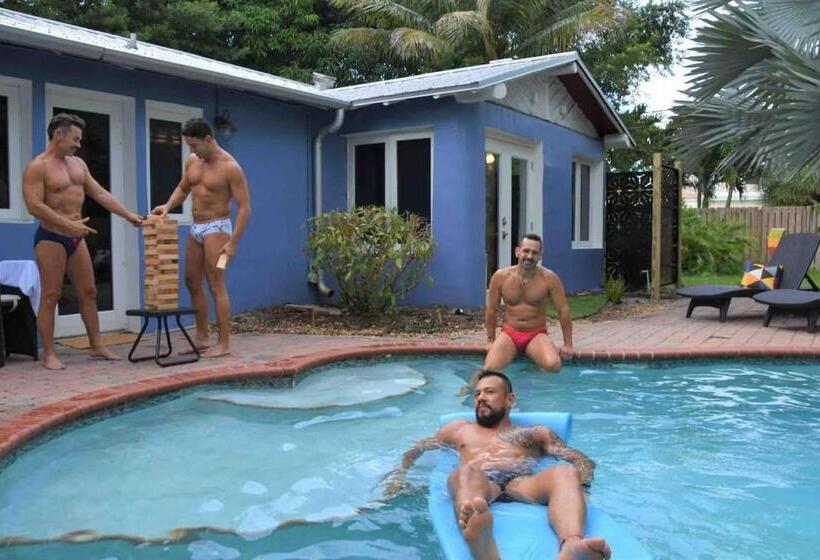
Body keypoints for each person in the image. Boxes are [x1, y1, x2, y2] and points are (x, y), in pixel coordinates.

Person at [385, 370, 610, 560]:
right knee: (464, 473)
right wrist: (399, 476)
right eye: (477, 394)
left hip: (521, 483)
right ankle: (482, 544)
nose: (481, 398)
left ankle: (571, 545)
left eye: (489, 392)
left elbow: (578, 458)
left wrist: (583, 487)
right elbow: (417, 448)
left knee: (566, 472)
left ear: (510, 399)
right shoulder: (458, 429)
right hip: (481, 484)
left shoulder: (536, 433)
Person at [23, 113, 143, 370]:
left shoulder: (78, 165)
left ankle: (97, 346)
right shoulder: (38, 166)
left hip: (77, 238)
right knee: (51, 295)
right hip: (51, 238)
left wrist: (128, 215)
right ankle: (49, 353)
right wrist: (67, 225)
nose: (79, 144)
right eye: (75, 139)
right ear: (58, 134)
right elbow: (34, 205)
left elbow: (99, 193)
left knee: (89, 292)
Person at [152, 118, 251, 358]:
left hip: (219, 229)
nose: (192, 151)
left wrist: (233, 243)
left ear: (208, 139)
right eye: (189, 146)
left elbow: (245, 208)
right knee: (191, 281)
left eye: (195, 145)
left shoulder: (230, 167)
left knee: (216, 284)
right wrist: (168, 206)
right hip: (196, 228)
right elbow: (183, 188)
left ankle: (223, 343)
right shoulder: (193, 161)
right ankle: (202, 338)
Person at [485, 233, 572, 373]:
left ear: (540, 256)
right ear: (517, 251)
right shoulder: (501, 277)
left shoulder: (549, 278)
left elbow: (563, 310)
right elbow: (491, 309)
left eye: (534, 253)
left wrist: (568, 344)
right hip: (509, 333)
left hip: (536, 334)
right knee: (489, 369)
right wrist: (490, 340)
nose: (530, 256)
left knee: (553, 365)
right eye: (526, 251)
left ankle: (532, 368)